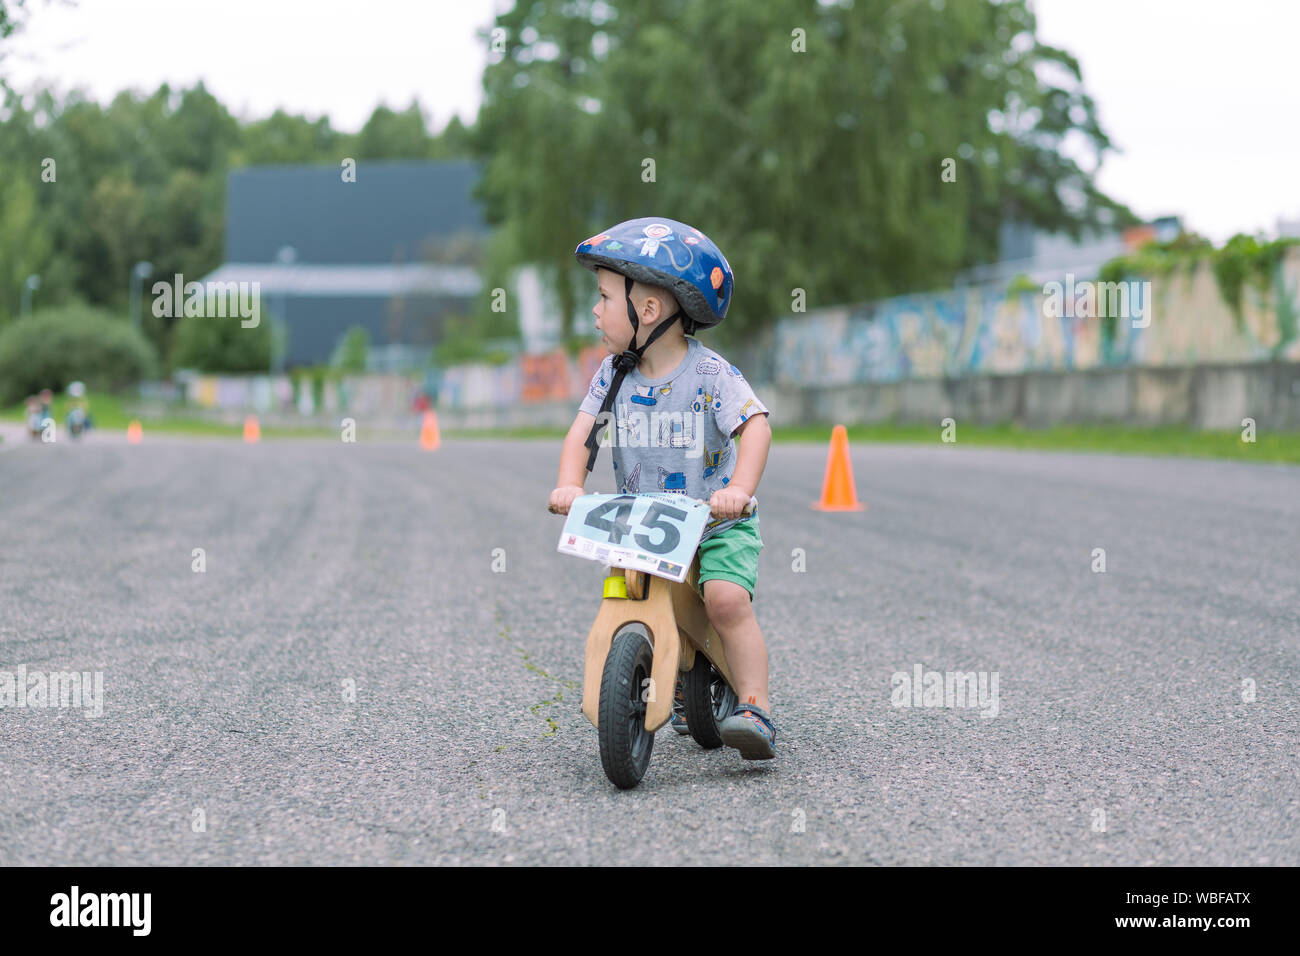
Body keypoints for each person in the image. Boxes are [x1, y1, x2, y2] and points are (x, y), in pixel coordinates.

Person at [547, 217, 777, 760]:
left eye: (605, 298)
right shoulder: (613, 376)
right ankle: (664, 675)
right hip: (646, 522)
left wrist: (739, 489)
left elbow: (756, 426)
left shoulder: (711, 375)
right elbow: (584, 433)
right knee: (633, 589)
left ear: (648, 311)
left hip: (716, 520)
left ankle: (755, 706)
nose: (596, 311)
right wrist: (569, 483)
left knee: (724, 602)